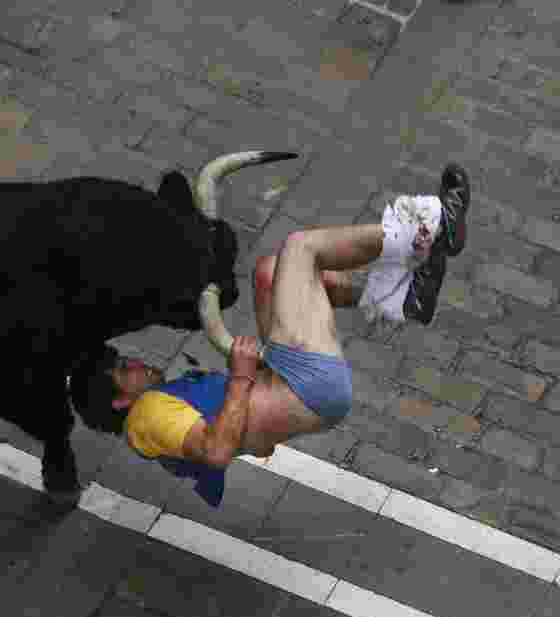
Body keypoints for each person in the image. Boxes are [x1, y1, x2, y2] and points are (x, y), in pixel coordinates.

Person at [70, 164, 470, 507]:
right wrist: (242, 377)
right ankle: (428, 228)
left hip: (290, 383)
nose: (136, 362)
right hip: (307, 387)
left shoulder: (160, 411)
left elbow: (252, 441)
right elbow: (217, 451)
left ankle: (405, 300)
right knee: (301, 249)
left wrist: (247, 381)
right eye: (125, 368)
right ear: (121, 399)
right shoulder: (147, 416)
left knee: (269, 273)